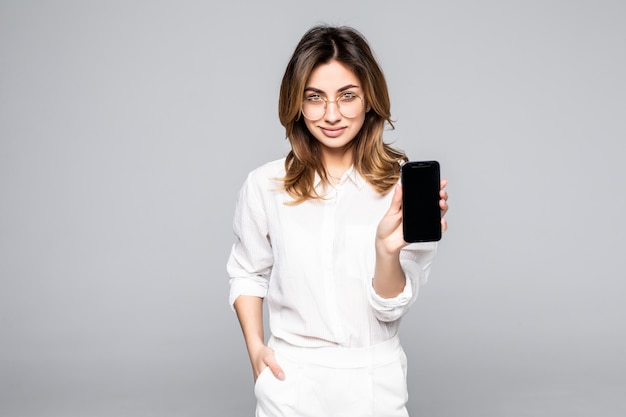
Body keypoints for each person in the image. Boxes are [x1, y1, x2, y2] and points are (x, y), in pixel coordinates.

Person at [227, 24, 449, 417]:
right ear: (297, 102)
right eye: (315, 97)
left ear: (369, 100)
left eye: (347, 96)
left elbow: (391, 309)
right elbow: (247, 272)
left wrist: (386, 250)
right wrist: (256, 352)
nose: (331, 114)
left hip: (372, 381)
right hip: (289, 378)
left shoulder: (403, 189)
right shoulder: (265, 184)